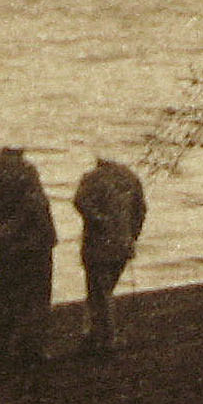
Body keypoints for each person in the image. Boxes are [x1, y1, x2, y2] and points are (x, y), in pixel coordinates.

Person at [0, 144, 57, 366]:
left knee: (2, 290)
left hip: (1, 242)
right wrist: (11, 229)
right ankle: (31, 346)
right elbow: (34, 206)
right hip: (33, 241)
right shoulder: (25, 170)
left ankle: (0, 343)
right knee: (35, 295)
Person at [70, 151, 147, 355]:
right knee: (106, 289)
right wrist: (132, 235)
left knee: (98, 291)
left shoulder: (92, 177)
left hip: (98, 242)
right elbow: (141, 211)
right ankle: (96, 333)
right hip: (123, 243)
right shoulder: (130, 177)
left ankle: (103, 336)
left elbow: (79, 202)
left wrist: (98, 220)